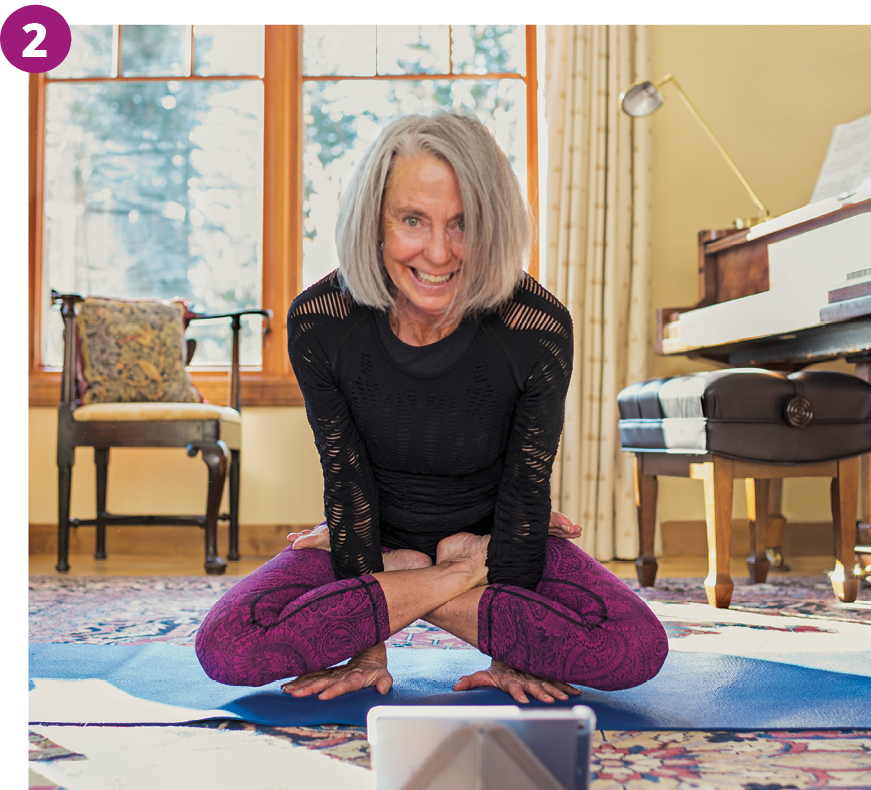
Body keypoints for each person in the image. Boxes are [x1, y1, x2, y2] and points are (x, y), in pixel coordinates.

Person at [195, 113, 667, 704]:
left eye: (463, 224)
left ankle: (422, 578)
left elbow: (526, 489)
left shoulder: (536, 326)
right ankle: (440, 573)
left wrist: (509, 656)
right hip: (371, 540)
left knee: (634, 647)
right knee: (227, 645)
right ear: (375, 223)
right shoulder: (321, 322)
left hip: (502, 536)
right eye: (413, 220)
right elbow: (347, 480)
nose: (439, 253)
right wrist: (372, 644)